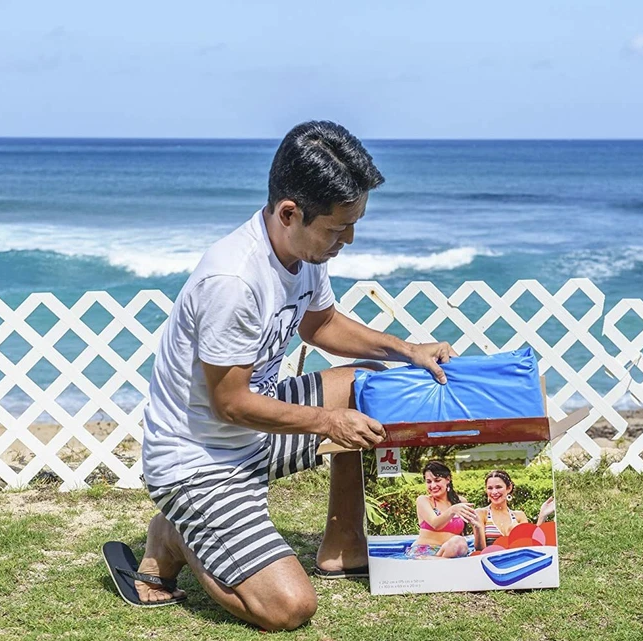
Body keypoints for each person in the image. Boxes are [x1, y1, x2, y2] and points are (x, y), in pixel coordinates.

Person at [101, 121, 455, 631]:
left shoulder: (302, 251)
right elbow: (231, 404)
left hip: (254, 433)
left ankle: (343, 546)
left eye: (353, 224)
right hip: (198, 460)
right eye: (337, 228)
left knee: (369, 385)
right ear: (289, 213)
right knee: (290, 610)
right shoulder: (234, 281)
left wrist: (406, 350)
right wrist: (328, 423)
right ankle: (175, 535)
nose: (349, 239)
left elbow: (322, 324)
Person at [407, 461, 478, 559]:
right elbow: (435, 524)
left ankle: (440, 563)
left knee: (459, 542)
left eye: (437, 480)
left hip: (451, 551)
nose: (433, 485)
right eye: (429, 482)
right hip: (425, 552)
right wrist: (452, 510)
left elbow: (466, 533)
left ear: (448, 479)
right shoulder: (423, 500)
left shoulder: (460, 501)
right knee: (458, 541)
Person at [472, 470, 555, 550]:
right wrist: (478, 527)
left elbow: (530, 544)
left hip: (516, 559)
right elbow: (480, 550)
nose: (494, 492)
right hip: (491, 560)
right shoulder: (481, 513)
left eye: (498, 487)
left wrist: (542, 516)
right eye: (490, 488)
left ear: (509, 488)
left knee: (515, 527)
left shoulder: (519, 516)